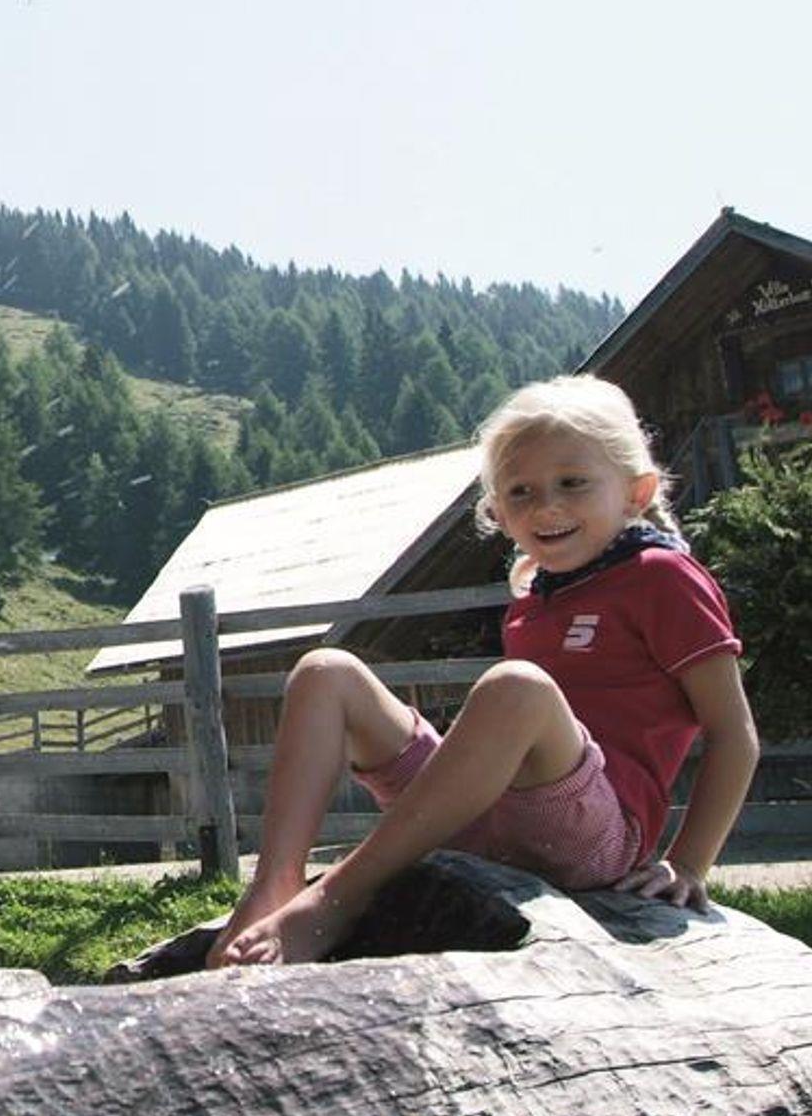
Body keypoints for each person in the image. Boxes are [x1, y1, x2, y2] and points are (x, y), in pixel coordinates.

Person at [209, 374, 760, 968]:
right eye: (521, 492)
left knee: (514, 687)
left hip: (589, 839)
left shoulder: (662, 577)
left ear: (635, 491)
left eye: (572, 482)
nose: (546, 505)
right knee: (325, 671)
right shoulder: (533, 599)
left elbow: (734, 734)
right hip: (487, 817)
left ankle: (338, 898)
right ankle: (273, 885)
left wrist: (689, 862)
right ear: (497, 511)